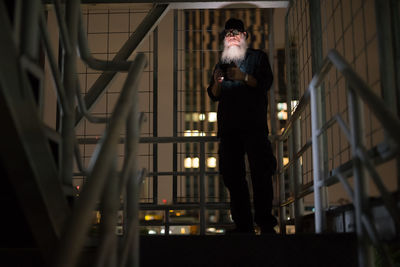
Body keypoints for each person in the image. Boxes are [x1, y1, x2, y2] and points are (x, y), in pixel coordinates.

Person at [207, 18, 277, 234]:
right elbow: (213, 95)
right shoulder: (221, 63)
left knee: (261, 174)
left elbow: (266, 84)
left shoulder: (258, 57)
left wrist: (244, 76)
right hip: (229, 130)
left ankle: (265, 224)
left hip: (254, 126)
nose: (232, 37)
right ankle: (244, 225)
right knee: (232, 177)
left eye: (236, 33)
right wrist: (217, 82)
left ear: (245, 35)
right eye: (228, 34)